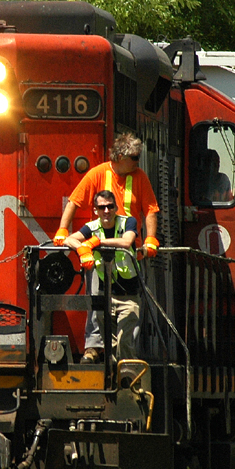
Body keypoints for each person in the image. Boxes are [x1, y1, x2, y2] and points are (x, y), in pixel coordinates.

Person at [52, 133, 160, 363]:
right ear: (120, 156)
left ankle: (125, 358)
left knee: (129, 310)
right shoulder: (98, 173)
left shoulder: (139, 177)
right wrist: (63, 230)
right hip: (100, 257)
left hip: (129, 255)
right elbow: (75, 201)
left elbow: (150, 208)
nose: (137, 162)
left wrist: (151, 239)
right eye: (134, 157)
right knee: (96, 300)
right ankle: (94, 348)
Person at [64, 190, 140, 363]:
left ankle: (129, 381)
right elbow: (69, 239)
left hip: (128, 296)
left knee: (124, 343)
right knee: (110, 348)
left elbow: (126, 242)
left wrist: (96, 242)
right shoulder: (92, 227)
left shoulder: (128, 222)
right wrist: (82, 249)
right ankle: (114, 381)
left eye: (110, 206)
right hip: (104, 296)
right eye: (102, 207)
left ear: (116, 207)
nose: (106, 211)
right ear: (95, 210)